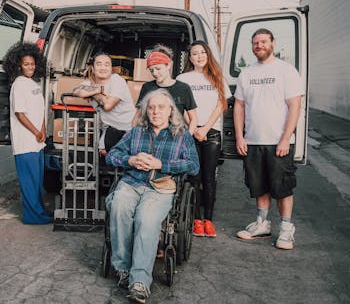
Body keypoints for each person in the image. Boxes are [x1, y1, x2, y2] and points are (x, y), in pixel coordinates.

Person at [106, 89, 199, 303]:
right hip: (131, 183)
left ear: (170, 111)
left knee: (145, 218)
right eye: (151, 107)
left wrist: (161, 164)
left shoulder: (182, 134)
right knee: (119, 206)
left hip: (160, 187)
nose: (156, 111)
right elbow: (112, 156)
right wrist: (131, 160)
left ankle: (140, 280)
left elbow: (193, 166)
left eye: (161, 107)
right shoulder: (136, 132)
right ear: (146, 111)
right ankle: (122, 268)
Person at [233, 28, 304, 250]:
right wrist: (240, 136)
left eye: (263, 41)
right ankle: (262, 224)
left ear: (273, 43)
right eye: (255, 43)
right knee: (259, 185)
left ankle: (286, 229)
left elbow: (295, 106)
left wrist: (285, 139)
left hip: (278, 142)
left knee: (282, 187)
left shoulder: (286, 71)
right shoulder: (246, 73)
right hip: (253, 140)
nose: (259, 45)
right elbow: (239, 106)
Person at [177, 40, 232, 238]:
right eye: (194, 53)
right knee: (194, 177)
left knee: (209, 178)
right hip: (191, 132)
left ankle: (208, 220)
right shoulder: (183, 78)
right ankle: (195, 220)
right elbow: (180, 106)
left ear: (208, 55)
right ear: (190, 58)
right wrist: (195, 127)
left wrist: (206, 128)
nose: (199, 56)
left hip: (212, 132)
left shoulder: (217, 77)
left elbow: (221, 105)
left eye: (202, 53)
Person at [3, 42, 53, 225]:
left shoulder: (33, 83)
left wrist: (43, 129)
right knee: (30, 181)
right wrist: (35, 131)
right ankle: (32, 216)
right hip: (26, 142)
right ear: (18, 65)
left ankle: (40, 211)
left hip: (37, 140)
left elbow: (40, 109)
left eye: (32, 64)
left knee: (38, 180)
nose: (30, 67)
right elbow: (20, 113)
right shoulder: (18, 84)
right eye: (26, 64)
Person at [72, 51, 135, 154]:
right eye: (99, 64)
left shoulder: (117, 80)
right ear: (92, 68)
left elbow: (107, 105)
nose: (103, 68)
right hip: (109, 131)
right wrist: (98, 90)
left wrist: (92, 93)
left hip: (129, 130)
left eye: (107, 65)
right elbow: (76, 91)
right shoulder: (89, 83)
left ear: (111, 69)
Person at [133, 44, 198, 134]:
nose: (155, 73)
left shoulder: (183, 88)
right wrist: (133, 135)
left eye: (158, 68)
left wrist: (186, 140)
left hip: (175, 137)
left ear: (168, 65)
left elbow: (194, 119)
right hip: (150, 137)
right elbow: (137, 116)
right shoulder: (147, 87)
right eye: (151, 70)